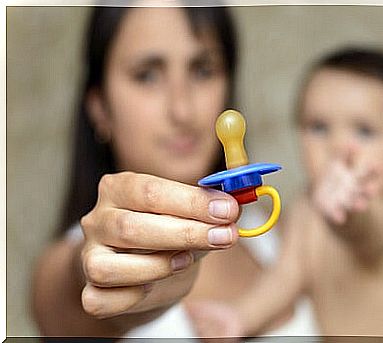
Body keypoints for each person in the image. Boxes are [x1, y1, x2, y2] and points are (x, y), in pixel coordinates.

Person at [31, 5, 319, 338]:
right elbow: (71, 294)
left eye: (202, 70)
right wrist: (99, 273)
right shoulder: (72, 265)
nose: (182, 110)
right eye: (147, 75)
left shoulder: (282, 236)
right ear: (100, 108)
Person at [187, 47, 383, 338]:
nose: (338, 145)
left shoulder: (379, 217)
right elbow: (286, 277)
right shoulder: (306, 208)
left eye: (364, 131)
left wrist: (349, 203)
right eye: (319, 127)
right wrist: (239, 317)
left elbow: (365, 231)